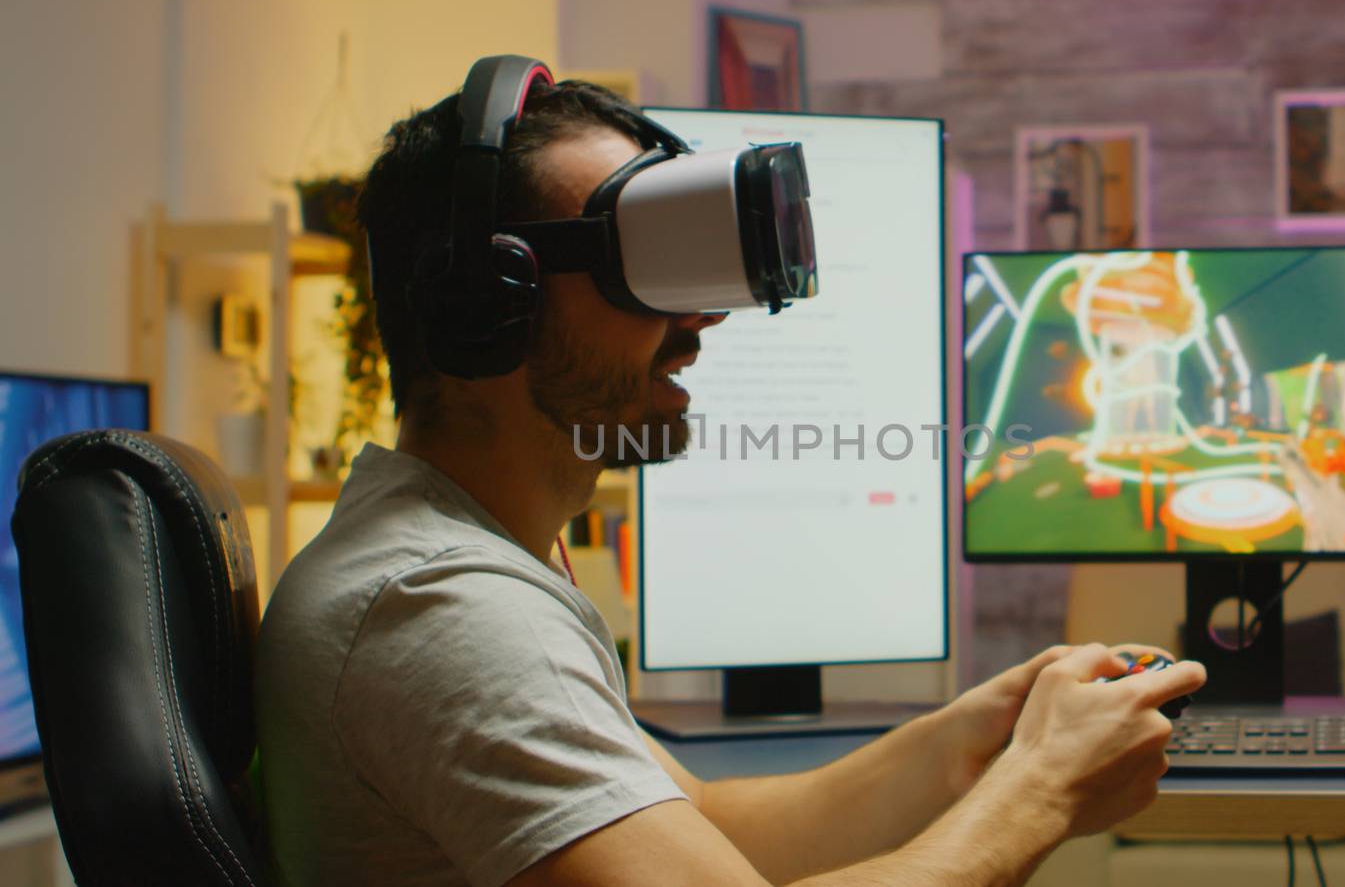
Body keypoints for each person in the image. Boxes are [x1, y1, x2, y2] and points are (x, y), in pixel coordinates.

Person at [254, 77, 1206, 887]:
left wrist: (970, 740)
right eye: (638, 267)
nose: (700, 318)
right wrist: (1037, 789)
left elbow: (706, 823)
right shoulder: (440, 613)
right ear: (486, 306)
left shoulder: (454, 562)